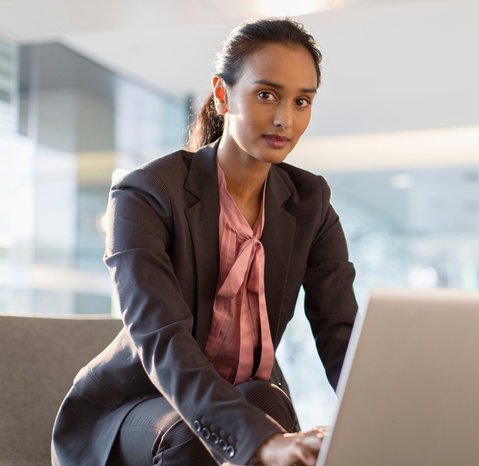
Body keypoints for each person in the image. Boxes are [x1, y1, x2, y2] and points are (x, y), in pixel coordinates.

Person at [51, 18, 358, 466]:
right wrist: (261, 441)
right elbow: (163, 341)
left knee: (270, 408)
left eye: (302, 101)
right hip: (138, 404)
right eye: (266, 94)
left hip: (248, 399)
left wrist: (389, 419)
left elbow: (340, 332)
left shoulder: (309, 202)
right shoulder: (147, 193)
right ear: (222, 93)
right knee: (207, 435)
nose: (284, 118)